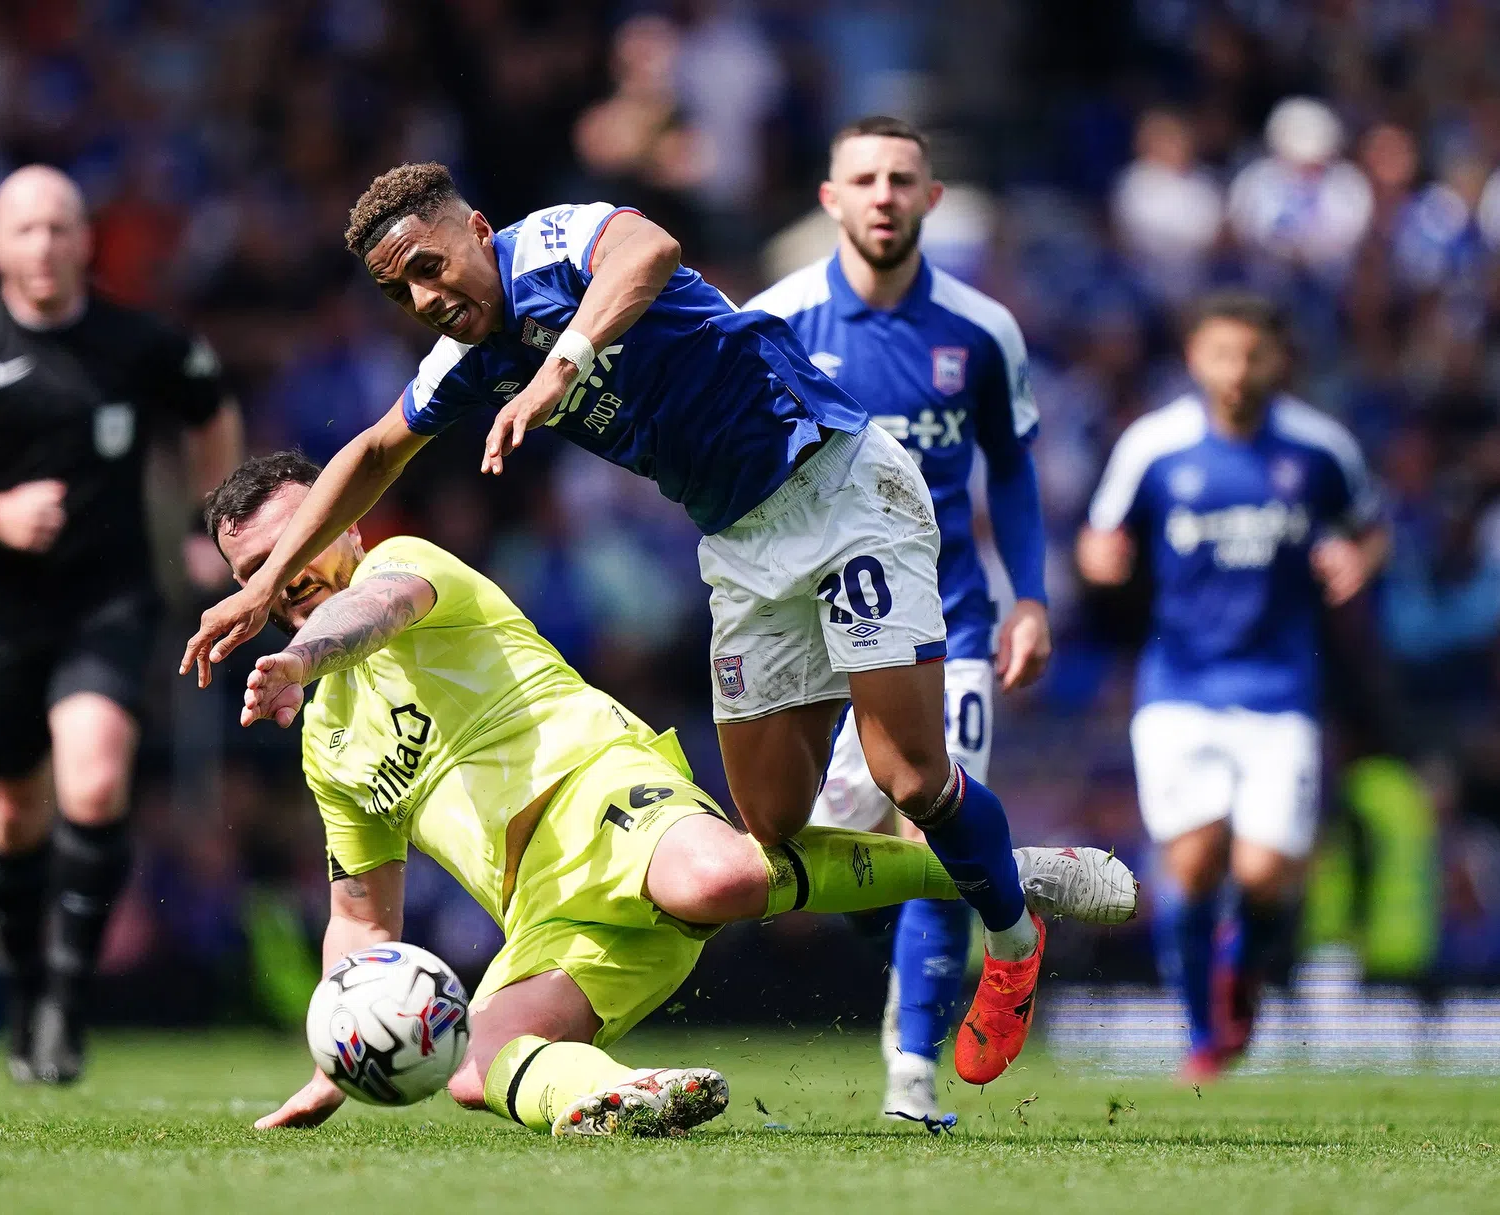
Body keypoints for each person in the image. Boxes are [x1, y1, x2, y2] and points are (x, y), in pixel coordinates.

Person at [181, 162, 1104, 1085]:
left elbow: (651, 248)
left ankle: (1013, 939)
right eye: (399, 289)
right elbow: (378, 446)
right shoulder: (465, 359)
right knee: (772, 826)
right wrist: (262, 591)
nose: (423, 297)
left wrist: (561, 366)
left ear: (476, 227)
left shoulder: (550, 245)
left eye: (429, 265)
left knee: (906, 773)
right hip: (740, 545)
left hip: (838, 482)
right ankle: (983, 866)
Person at [202, 451, 1137, 1137]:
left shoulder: (403, 566)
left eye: (297, 544)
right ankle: (617, 1097)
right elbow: (362, 922)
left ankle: (996, 873)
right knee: (474, 1068)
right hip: (541, 908)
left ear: (348, 521)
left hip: (599, 788)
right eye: (254, 572)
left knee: (713, 882)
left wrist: (300, 651)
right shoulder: (326, 740)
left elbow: (372, 612)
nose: (280, 578)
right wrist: (339, 1049)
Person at [0, 165, 243, 1083]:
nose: (43, 244)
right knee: (14, 809)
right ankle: (28, 987)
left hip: (107, 601)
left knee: (96, 778)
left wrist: (213, 522)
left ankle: (69, 1007)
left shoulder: (136, 342)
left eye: (60, 227)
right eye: (25, 228)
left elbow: (210, 409)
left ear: (86, 241)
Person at [748, 116, 1050, 1130]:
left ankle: (911, 1079)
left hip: (946, 625)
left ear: (930, 198)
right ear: (830, 199)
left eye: (901, 179)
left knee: (928, 809)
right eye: (863, 179)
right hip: (810, 627)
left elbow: (1008, 468)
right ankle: (954, 956)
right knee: (815, 853)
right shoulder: (775, 322)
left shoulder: (979, 330)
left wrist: (1031, 597)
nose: (882, 195)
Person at [1077, 291, 1388, 1080]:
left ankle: (1241, 981)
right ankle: (1200, 1034)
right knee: (1189, 861)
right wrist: (1099, 561)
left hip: (1280, 686)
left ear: (1279, 360)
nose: (1236, 371)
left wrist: (1357, 558)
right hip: (1179, 683)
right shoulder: (1155, 445)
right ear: (1194, 358)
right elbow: (1097, 533)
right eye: (1221, 354)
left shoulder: (1318, 449)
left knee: (1260, 871)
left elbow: (1369, 524)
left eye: (1252, 355)